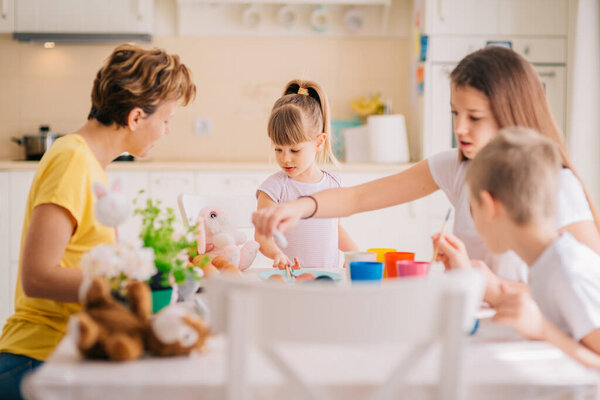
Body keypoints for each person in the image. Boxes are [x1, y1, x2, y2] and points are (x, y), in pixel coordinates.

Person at [252, 46, 600, 281]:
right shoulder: (457, 166)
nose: (459, 128)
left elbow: (588, 285)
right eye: (455, 113)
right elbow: (358, 198)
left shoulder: (556, 183)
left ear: (512, 113)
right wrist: (300, 207)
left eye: (474, 117)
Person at [0, 44, 196, 399]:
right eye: (166, 120)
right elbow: (37, 276)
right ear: (136, 117)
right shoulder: (73, 160)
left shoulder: (90, 166)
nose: (166, 131)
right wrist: (128, 284)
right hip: (39, 357)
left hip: (70, 347)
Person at [434, 127, 600, 369]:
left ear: (490, 206)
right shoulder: (545, 263)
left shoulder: (568, 270)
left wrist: (544, 331)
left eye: (473, 207)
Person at [255, 79, 357, 270]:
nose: (285, 159)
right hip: (291, 282)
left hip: (329, 278)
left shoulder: (334, 184)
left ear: (319, 142)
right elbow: (261, 236)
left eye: (294, 150)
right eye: (278, 149)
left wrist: (356, 254)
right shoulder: (273, 188)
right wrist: (277, 253)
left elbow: (335, 228)